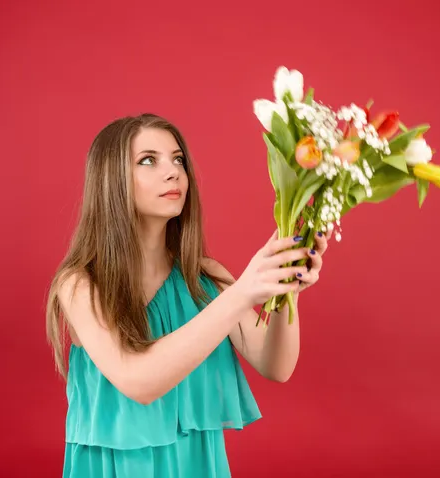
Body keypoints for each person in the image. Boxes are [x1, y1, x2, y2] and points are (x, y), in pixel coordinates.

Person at [46, 113, 329, 477]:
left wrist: (285, 286)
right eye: (148, 160)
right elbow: (139, 381)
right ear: (110, 180)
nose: (173, 172)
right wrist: (243, 291)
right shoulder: (80, 285)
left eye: (177, 159)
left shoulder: (205, 278)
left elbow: (276, 365)